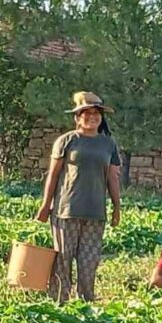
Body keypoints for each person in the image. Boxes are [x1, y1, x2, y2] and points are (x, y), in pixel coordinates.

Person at [34, 92, 122, 303]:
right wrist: (46, 205)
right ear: (77, 117)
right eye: (87, 113)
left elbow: (113, 178)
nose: (92, 117)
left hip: (95, 212)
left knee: (89, 260)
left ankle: (86, 302)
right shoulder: (66, 140)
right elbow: (53, 175)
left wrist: (117, 207)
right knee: (63, 258)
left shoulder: (108, 144)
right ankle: (59, 301)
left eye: (96, 113)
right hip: (66, 209)